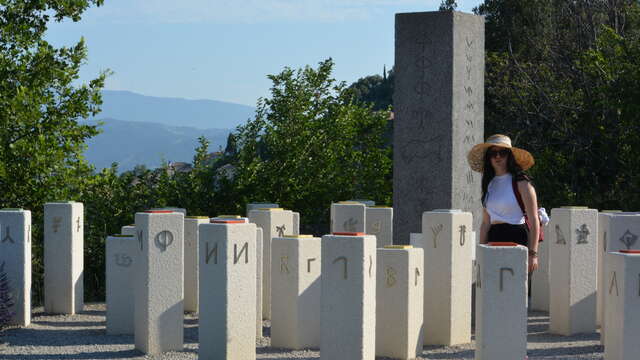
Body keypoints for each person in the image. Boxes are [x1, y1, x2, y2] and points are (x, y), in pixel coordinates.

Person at [467, 134, 540, 273]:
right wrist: (480, 252)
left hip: (517, 237)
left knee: (513, 289)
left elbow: (534, 218)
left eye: (503, 152)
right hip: (493, 238)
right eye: (493, 153)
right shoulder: (489, 183)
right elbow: (486, 223)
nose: (498, 157)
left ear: (509, 155)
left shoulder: (522, 182)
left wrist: (533, 254)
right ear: (488, 157)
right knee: (493, 290)